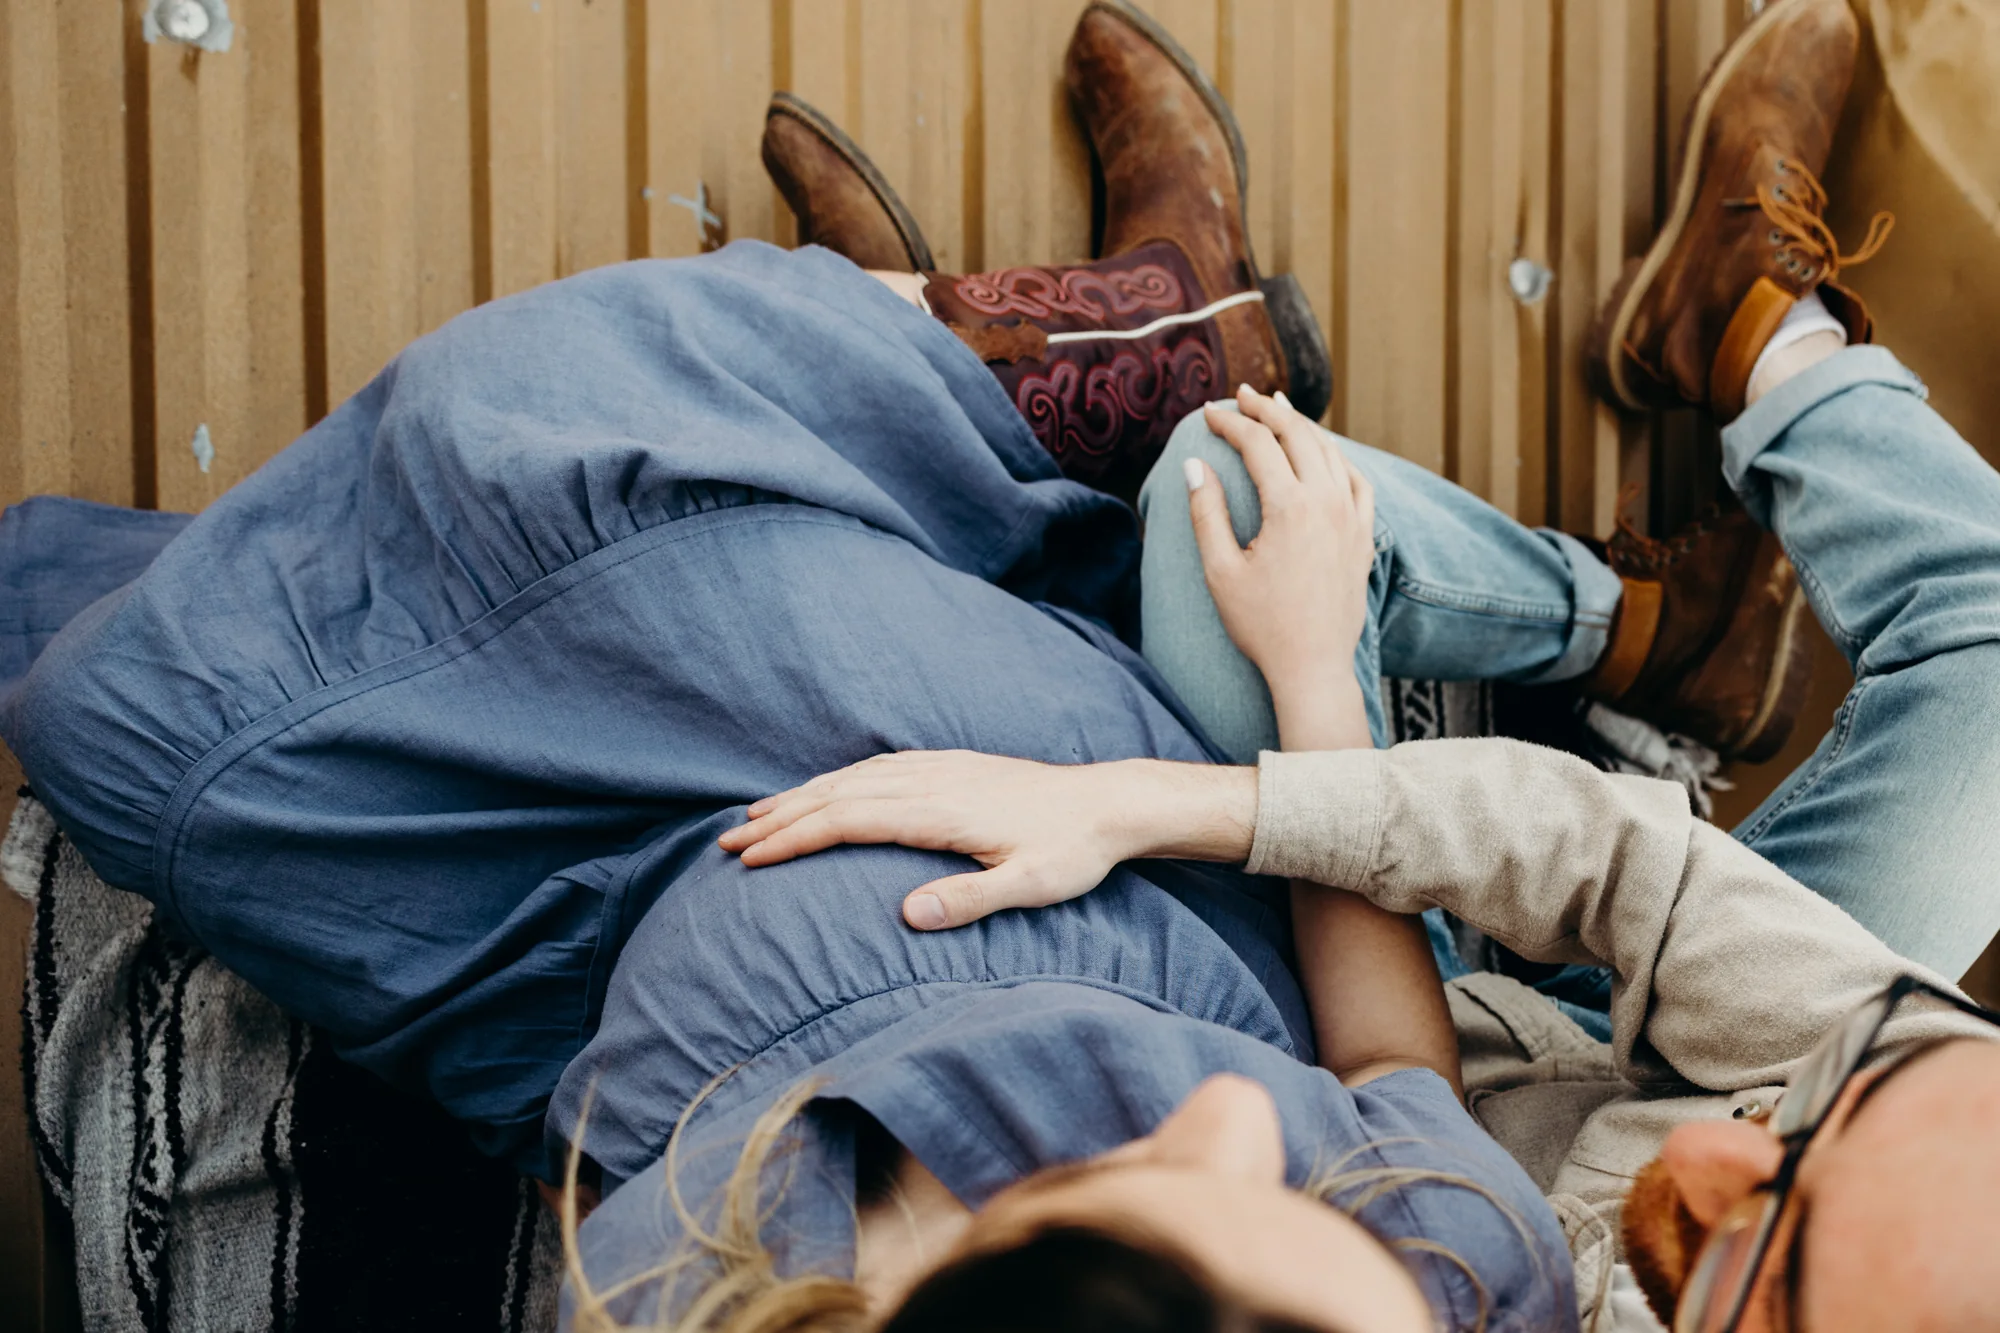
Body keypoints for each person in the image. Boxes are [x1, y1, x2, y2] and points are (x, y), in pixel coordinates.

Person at [736, 0, 2000, 1329]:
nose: (1727, 1150)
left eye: (1784, 1259)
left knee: (1229, 485)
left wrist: (1303, 695)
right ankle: (1736, 355)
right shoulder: (1947, 1147)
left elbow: (1401, 1094)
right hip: (1607, 1011)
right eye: (1839, 1106)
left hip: (1368, 1027)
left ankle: (975, 381)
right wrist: (1144, 801)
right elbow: (1629, 867)